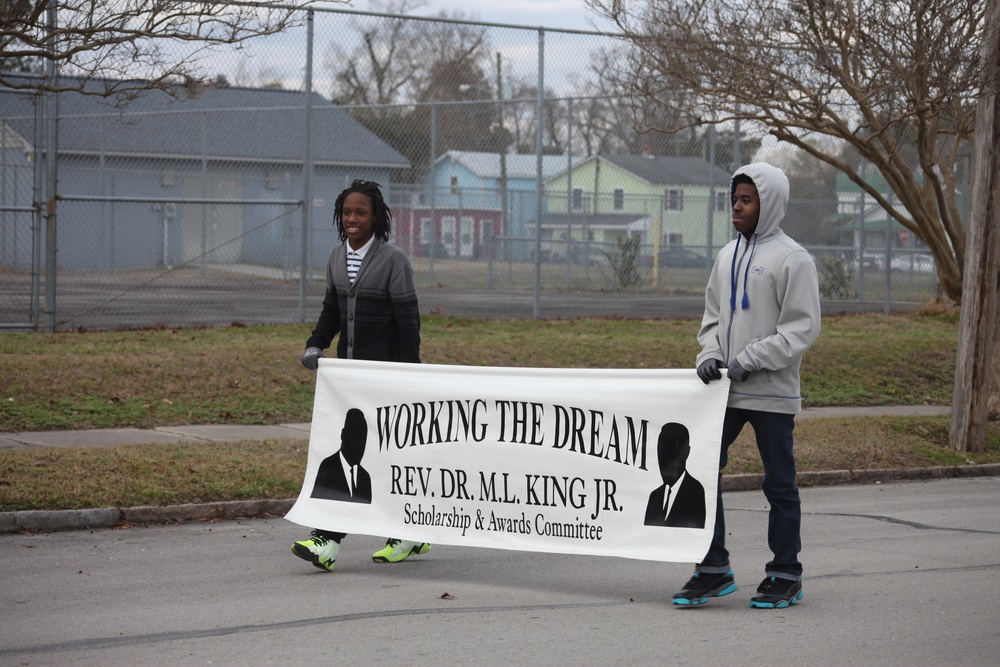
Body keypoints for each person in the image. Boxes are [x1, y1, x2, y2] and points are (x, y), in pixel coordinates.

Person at [672, 162, 821, 609]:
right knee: (698, 470)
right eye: (733, 200)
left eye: (746, 200)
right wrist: (709, 355)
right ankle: (713, 567)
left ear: (768, 204)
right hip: (726, 392)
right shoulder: (725, 256)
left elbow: (800, 330)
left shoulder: (793, 259)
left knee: (779, 483)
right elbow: (713, 319)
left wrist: (751, 359)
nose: (736, 208)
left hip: (771, 393)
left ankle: (785, 572)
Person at [291, 179, 431, 572]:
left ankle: (394, 533)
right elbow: (331, 311)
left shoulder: (393, 260)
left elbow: (408, 321)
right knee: (353, 454)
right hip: (349, 380)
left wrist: (409, 374)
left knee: (386, 455)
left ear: (377, 218)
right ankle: (334, 539)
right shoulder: (337, 257)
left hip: (386, 377)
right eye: (347, 213)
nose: (352, 219)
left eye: (361, 213)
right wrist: (315, 344)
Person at [644, 422, 706, 529]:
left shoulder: (695, 491)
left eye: (669, 452)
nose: (663, 461)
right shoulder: (654, 497)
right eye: (660, 452)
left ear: (686, 452)